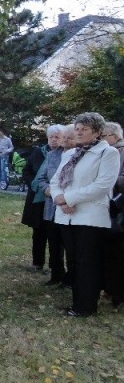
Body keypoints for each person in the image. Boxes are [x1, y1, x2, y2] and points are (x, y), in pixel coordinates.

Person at [49, 112, 119, 317]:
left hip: (90, 216)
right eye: (77, 129)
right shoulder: (69, 154)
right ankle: (76, 304)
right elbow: (55, 181)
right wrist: (60, 198)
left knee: (88, 262)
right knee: (74, 261)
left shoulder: (108, 153)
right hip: (66, 215)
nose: (78, 133)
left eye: (84, 130)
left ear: (97, 133)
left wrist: (69, 198)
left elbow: (102, 185)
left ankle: (86, 307)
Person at [37, 125, 73, 286]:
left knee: (70, 245)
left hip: (70, 207)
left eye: (66, 138)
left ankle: (71, 278)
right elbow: (41, 178)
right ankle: (56, 275)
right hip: (51, 207)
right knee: (54, 243)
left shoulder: (77, 156)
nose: (63, 141)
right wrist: (46, 188)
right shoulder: (52, 156)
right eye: (62, 138)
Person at [20, 129, 55, 271]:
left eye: (57, 137)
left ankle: (55, 267)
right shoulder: (38, 152)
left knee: (54, 234)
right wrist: (34, 184)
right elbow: (26, 171)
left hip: (54, 198)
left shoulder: (63, 154)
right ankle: (37, 262)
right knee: (38, 231)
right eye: (51, 136)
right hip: (36, 197)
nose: (54, 139)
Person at [101, 121, 124, 307]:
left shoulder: (119, 152)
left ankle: (117, 293)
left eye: (104, 136)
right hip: (109, 209)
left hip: (119, 210)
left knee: (117, 252)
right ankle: (110, 289)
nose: (101, 139)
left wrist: (107, 178)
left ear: (114, 137)